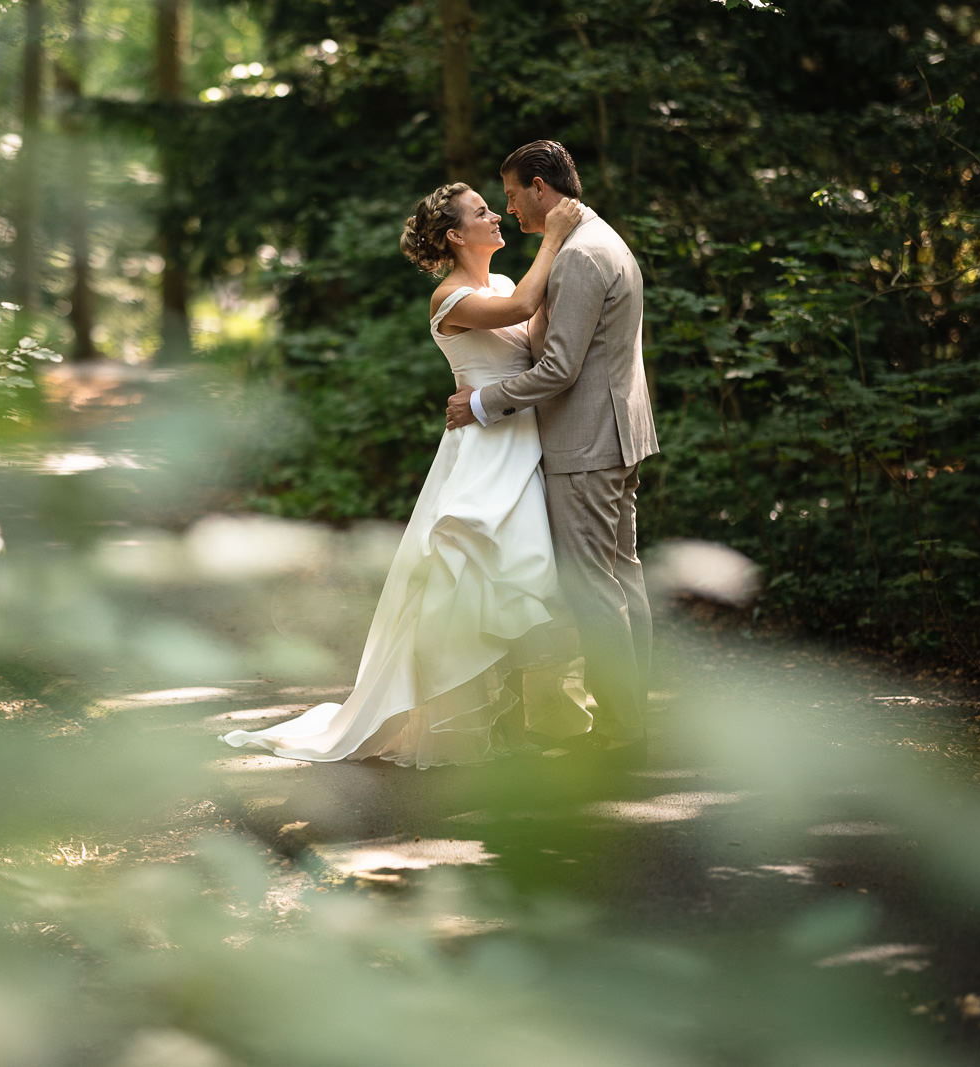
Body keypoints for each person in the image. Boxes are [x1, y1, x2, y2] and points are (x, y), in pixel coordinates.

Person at [220, 179, 593, 768]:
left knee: (529, 583)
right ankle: (476, 723)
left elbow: (537, 336)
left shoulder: (499, 281)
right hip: (485, 458)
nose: (496, 216)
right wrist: (555, 234)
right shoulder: (450, 299)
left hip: (528, 448)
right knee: (477, 582)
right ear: (455, 235)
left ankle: (532, 720)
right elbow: (523, 307)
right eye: (481, 212)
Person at [447, 140, 658, 763]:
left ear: (540, 187)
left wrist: (483, 403)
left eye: (511, 195)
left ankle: (623, 731)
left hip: (587, 442)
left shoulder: (579, 257)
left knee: (595, 586)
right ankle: (633, 716)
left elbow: (561, 368)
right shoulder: (600, 239)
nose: (508, 209)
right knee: (623, 576)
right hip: (616, 433)